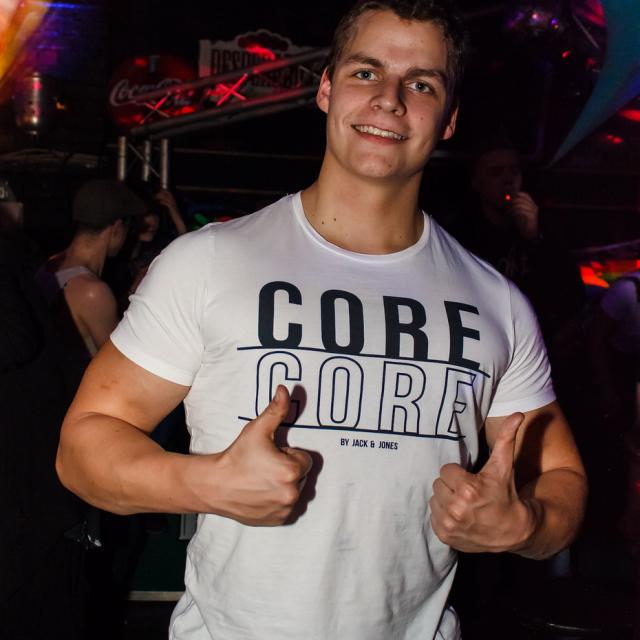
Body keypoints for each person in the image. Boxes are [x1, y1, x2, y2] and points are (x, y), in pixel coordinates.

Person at [56, 2, 587, 639]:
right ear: (327, 88)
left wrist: (523, 524)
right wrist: (206, 482)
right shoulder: (210, 261)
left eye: (421, 84)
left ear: (449, 118)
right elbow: (83, 448)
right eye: (366, 72)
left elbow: (561, 479)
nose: (390, 99)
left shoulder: (497, 301)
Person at [36, 178, 146, 387]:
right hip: (70, 398)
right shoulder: (92, 291)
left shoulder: (51, 264)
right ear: (116, 228)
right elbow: (123, 368)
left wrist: (132, 290)